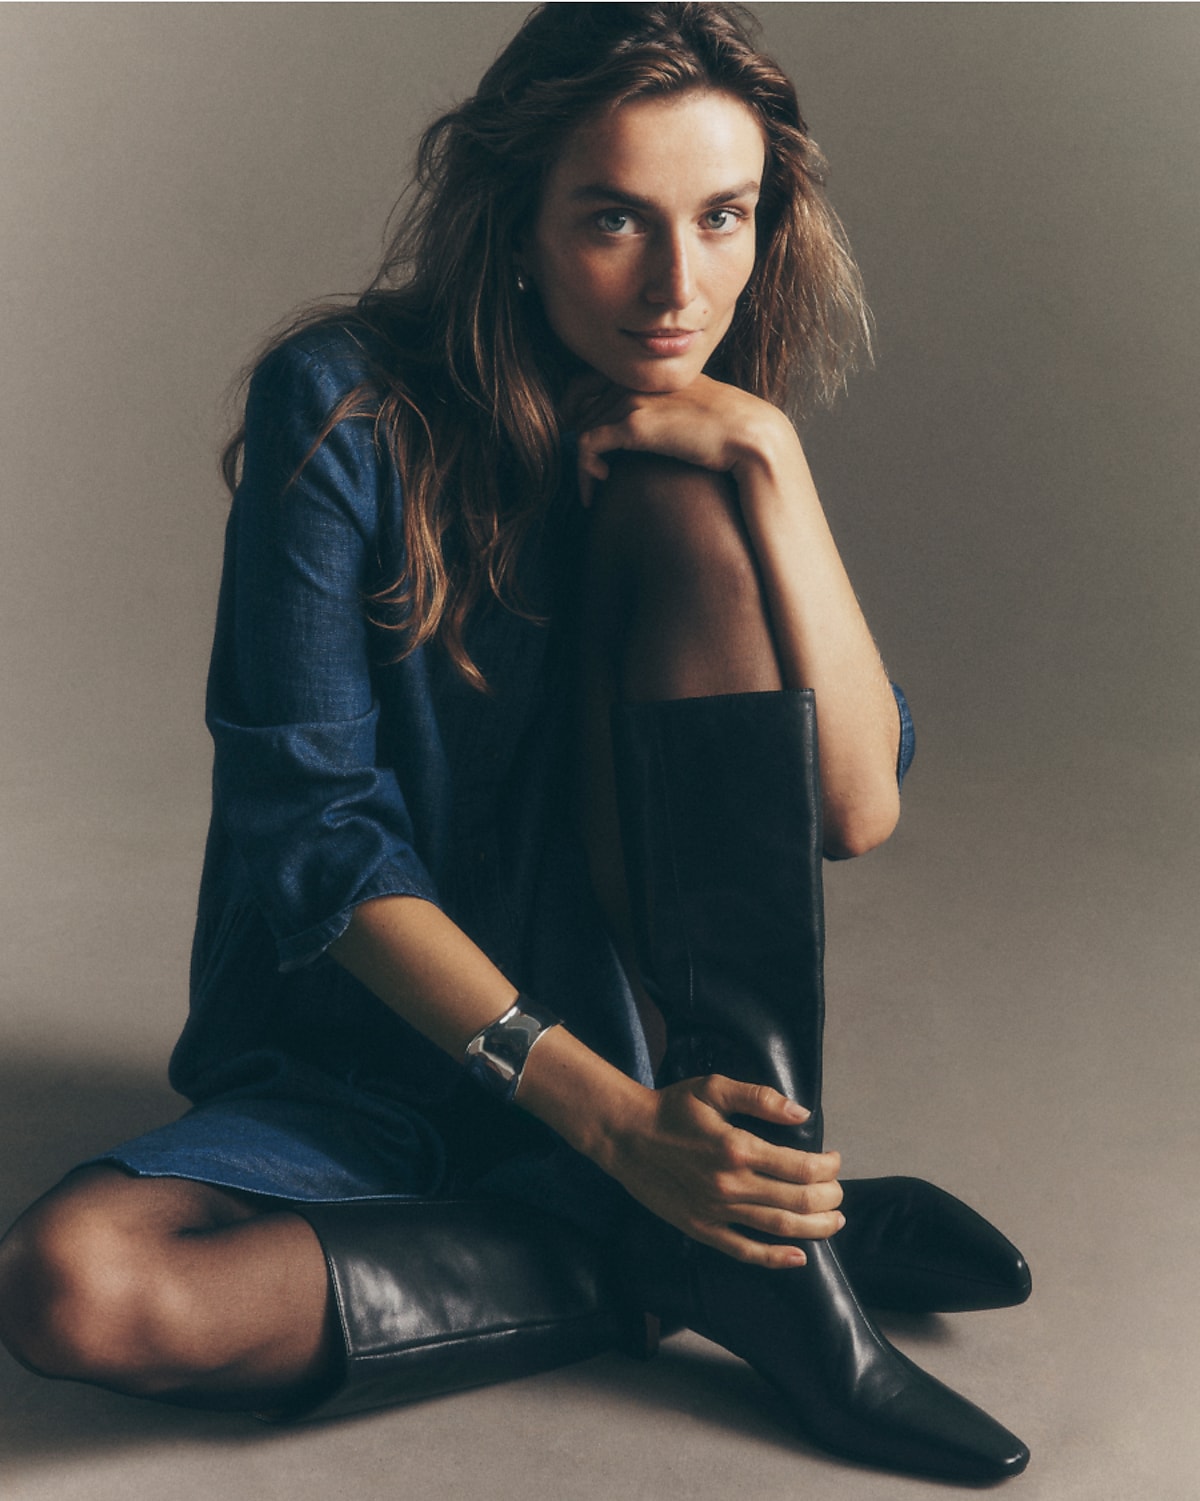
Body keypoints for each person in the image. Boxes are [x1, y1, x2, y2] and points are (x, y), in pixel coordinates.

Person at [0, 3, 1031, 1481]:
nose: (681, 284)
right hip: (381, 1051)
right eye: (616, 218)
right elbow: (317, 838)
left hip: (640, 1046)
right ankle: (691, 1248)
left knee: (686, 502)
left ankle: (727, 1233)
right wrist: (616, 1134)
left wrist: (772, 463)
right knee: (73, 1285)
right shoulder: (343, 406)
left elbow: (856, 803)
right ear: (518, 220)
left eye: (724, 218)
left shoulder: (699, 435)